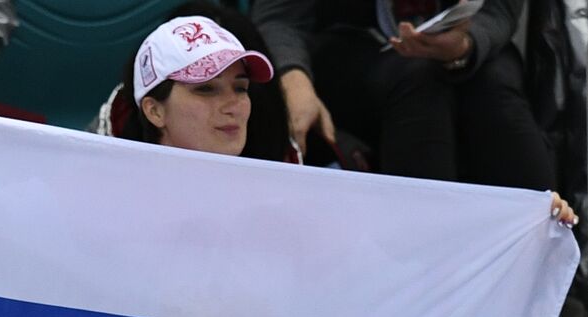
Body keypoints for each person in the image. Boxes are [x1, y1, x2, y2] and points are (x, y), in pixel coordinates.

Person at [252, 0, 560, 192]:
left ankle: (548, 270)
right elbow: (280, 16)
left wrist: (467, 45)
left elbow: (500, 10)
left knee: (495, 89)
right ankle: (426, 270)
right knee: (417, 80)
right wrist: (293, 77)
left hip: (465, 43)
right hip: (349, 48)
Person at [97, 4, 297, 164]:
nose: (233, 106)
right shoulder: (113, 196)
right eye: (206, 89)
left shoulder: (279, 192)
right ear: (155, 111)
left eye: (240, 88)